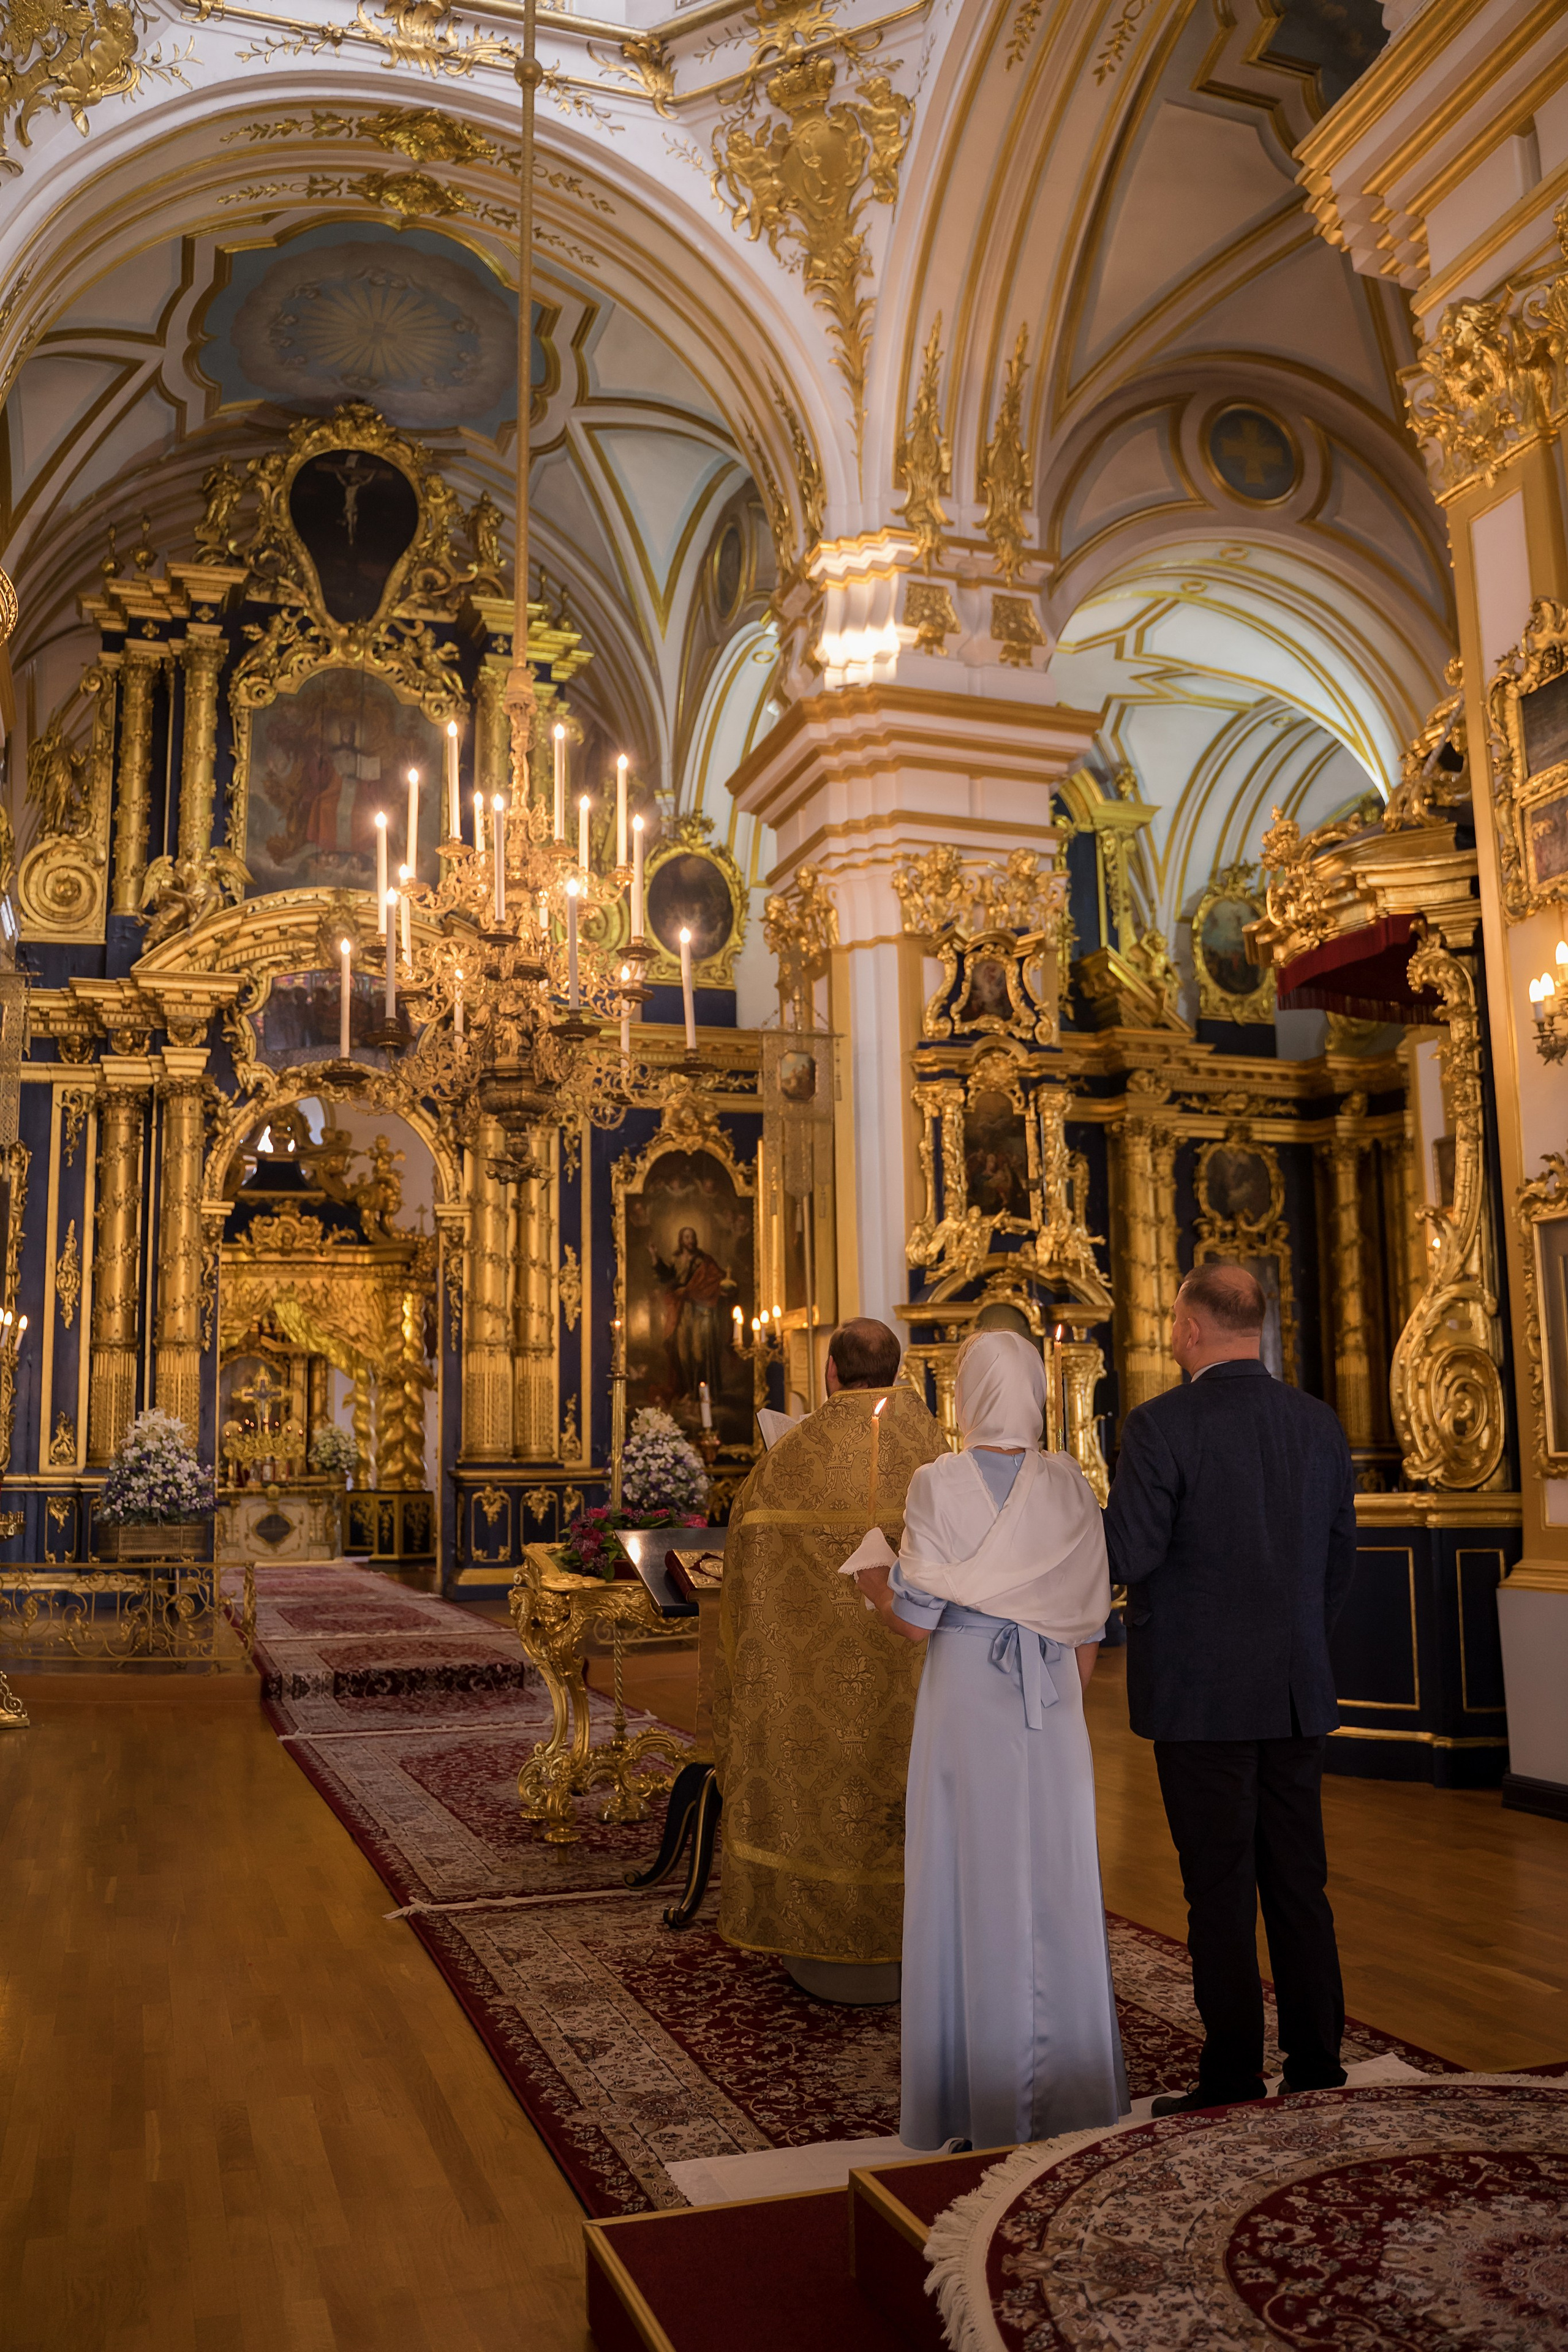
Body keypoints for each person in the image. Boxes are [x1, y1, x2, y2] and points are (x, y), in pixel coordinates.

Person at [851, 1329, 1128, 2148]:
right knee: (1053, 1870)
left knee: (969, 1872)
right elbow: (1089, 1622)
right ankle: (1070, 2092)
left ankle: (974, 2097)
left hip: (969, 1690)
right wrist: (1060, 1705)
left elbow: (913, 1620)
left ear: (966, 1395)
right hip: (1051, 1690)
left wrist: (872, 1577)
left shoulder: (939, 1480)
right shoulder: (1071, 1481)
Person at [1104, 1261, 1358, 2114]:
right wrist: (1297, 1649)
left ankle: (1232, 2075)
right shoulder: (1319, 1424)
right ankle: (1318, 2062)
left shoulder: (1160, 1426)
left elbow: (1128, 1556)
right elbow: (1338, 1560)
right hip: (1293, 1690)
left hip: (1201, 1698)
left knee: (1217, 1885)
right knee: (1298, 1880)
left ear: (1189, 1329)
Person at [713, 1318, 946, 2002]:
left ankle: (815, 1937)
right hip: (921, 1685)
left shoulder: (788, 1460)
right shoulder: (940, 1455)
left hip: (808, 1701)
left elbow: (745, 1566)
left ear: (830, 1374)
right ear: (900, 1372)